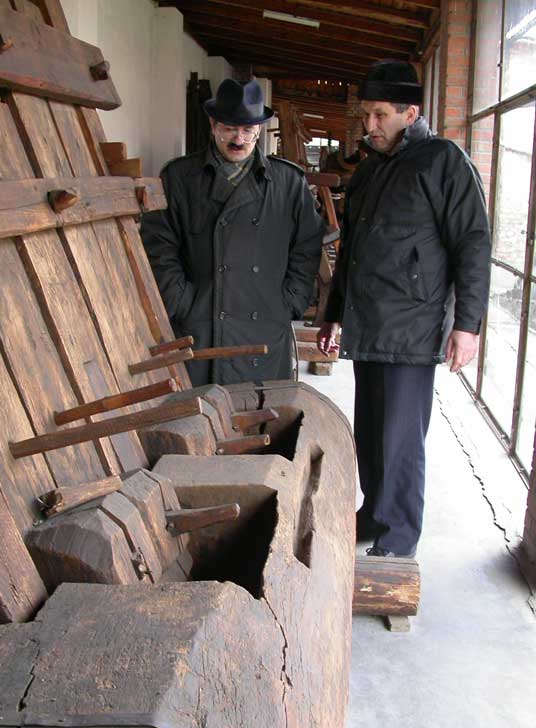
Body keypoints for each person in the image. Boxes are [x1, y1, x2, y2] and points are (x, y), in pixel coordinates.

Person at [318, 60, 491, 558]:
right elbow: (352, 249)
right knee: (371, 432)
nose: (369, 125)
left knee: (400, 440)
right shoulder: (372, 167)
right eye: (365, 115)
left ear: (410, 113)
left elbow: (472, 244)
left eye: (379, 115)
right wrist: (334, 313)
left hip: (413, 326)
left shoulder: (443, 162)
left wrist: (467, 325)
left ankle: (398, 540)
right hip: (369, 322)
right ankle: (376, 513)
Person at [141, 78, 324, 386]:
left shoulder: (288, 182)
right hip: (200, 326)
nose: (239, 139)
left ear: (259, 130)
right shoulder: (179, 177)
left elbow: (307, 246)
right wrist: (180, 300)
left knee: (260, 412)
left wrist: (290, 300)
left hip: (264, 325)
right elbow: (157, 245)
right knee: (198, 411)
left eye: (247, 130)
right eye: (229, 128)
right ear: (213, 125)